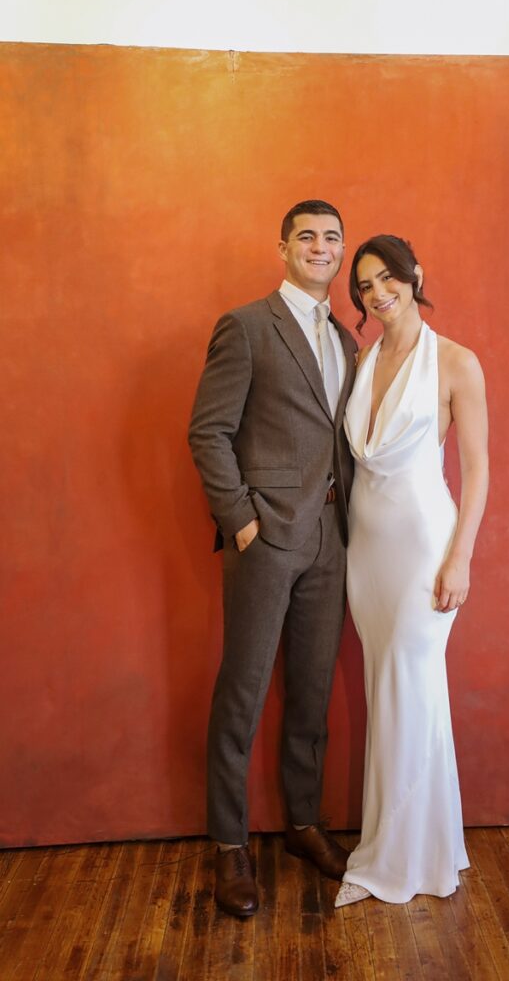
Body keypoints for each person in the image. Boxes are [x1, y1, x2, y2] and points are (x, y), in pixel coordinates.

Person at [189, 199, 358, 917]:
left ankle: (302, 824)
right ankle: (231, 846)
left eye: (331, 238)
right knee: (245, 692)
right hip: (265, 540)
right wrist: (241, 523)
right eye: (307, 237)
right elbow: (208, 432)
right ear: (283, 247)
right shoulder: (247, 326)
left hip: (330, 538)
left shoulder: (349, 340)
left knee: (311, 694)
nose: (320, 248)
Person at [336, 235, 489, 907]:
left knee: (412, 687)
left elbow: (479, 470)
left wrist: (461, 556)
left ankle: (407, 855)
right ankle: (420, 843)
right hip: (365, 554)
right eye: (365, 285)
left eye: (388, 277)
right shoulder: (363, 359)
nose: (377, 292)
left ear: (414, 276)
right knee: (391, 691)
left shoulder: (456, 362)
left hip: (426, 546)